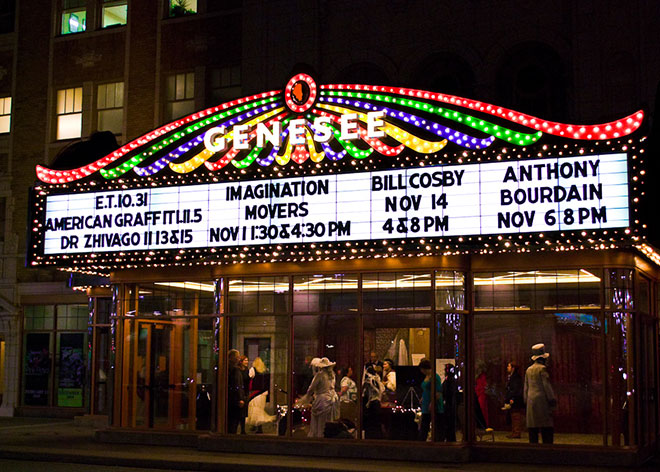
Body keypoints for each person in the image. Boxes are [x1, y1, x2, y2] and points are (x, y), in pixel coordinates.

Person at [296, 357, 339, 438]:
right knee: (328, 423)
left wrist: (307, 396)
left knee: (319, 425)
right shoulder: (333, 375)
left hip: (322, 400)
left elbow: (311, 388)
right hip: (331, 399)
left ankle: (318, 440)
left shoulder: (320, 375)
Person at [524, 343, 556, 444]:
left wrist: (526, 401)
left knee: (533, 429)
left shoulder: (528, 370)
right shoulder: (542, 369)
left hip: (530, 400)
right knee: (546, 427)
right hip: (542, 402)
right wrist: (552, 399)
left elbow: (526, 387)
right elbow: (546, 386)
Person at [418, 358, 444, 441]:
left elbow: (438, 392)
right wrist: (422, 397)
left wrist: (432, 402)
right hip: (426, 402)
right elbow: (426, 389)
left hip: (432, 403)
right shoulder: (427, 376)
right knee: (425, 422)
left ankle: (436, 440)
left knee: (433, 422)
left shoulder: (435, 377)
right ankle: (423, 439)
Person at [247, 356, 275, 432]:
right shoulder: (265, 370)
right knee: (260, 409)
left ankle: (256, 426)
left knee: (254, 409)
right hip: (264, 393)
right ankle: (258, 426)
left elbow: (248, 378)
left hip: (255, 392)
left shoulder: (253, 370)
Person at [362, 365, 385, 439]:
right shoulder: (375, 378)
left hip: (372, 403)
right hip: (374, 402)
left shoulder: (370, 379)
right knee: (375, 424)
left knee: (372, 424)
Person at [503, 361, 524, 439]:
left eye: (509, 366)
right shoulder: (512, 377)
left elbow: (515, 389)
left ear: (513, 368)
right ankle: (514, 431)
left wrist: (512, 398)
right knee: (513, 416)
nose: (507, 368)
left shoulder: (516, 377)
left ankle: (516, 432)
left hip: (516, 399)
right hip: (513, 399)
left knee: (516, 416)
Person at [227, 349, 245, 434]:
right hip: (234, 399)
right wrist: (240, 398)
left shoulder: (231, 369)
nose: (238, 359)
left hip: (231, 398)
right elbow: (237, 385)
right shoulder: (234, 370)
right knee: (234, 421)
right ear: (231, 358)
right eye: (237, 357)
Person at [442, 363, 458, 442]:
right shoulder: (449, 379)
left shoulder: (449, 380)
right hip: (450, 404)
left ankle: (450, 438)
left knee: (449, 423)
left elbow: (448, 392)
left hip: (449, 405)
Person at [238, 355, 250, 434]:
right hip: (240, 392)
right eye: (245, 360)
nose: (247, 362)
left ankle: (243, 429)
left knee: (243, 412)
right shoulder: (238, 370)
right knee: (239, 411)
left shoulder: (246, 370)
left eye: (247, 360)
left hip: (245, 392)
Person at [475, 361, 489, 428]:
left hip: (480, 393)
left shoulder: (481, 375)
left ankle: (482, 425)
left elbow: (482, 385)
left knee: (482, 409)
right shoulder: (480, 375)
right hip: (479, 393)